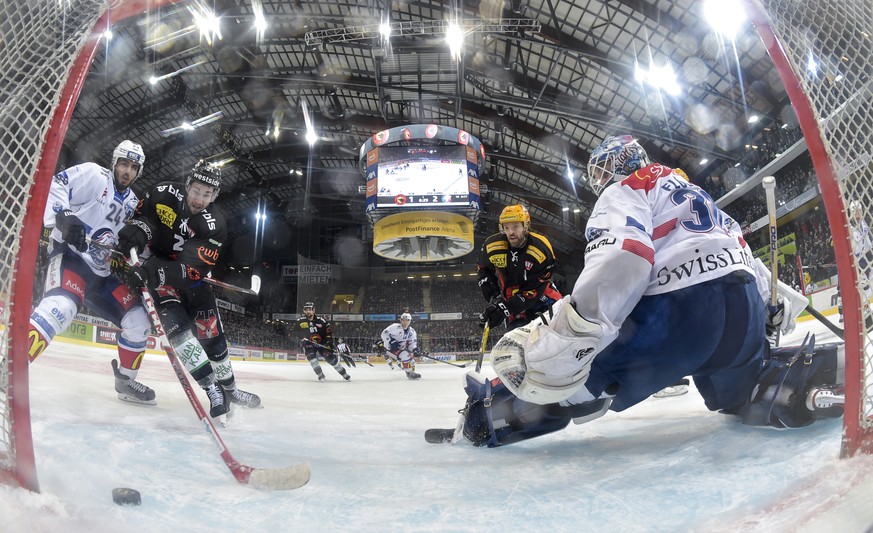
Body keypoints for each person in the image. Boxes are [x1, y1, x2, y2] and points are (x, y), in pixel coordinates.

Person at [450, 135, 844, 447]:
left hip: (680, 313)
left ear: (622, 163)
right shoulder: (689, 188)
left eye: (604, 170)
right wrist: (768, 303)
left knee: (576, 382)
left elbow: (626, 256)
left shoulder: (626, 189)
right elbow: (734, 247)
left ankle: (487, 417)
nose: (601, 181)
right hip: (741, 307)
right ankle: (800, 384)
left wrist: (573, 334)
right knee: (741, 393)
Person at [115, 160, 261, 418]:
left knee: (213, 339)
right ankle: (212, 388)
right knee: (181, 336)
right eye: (196, 190)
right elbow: (145, 219)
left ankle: (231, 388)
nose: (199, 199)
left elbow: (191, 271)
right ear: (187, 185)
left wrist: (152, 271)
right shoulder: (162, 193)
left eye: (207, 194)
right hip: (159, 281)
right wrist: (136, 234)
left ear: (214, 196)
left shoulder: (215, 224)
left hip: (190, 282)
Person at [28, 140, 157, 405]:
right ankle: (13, 364)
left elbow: (135, 243)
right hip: (71, 258)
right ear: (114, 163)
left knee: (138, 321)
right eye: (123, 164)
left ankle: (125, 381)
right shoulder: (93, 175)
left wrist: (145, 258)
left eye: (133, 167)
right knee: (61, 308)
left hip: (101, 274)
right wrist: (64, 215)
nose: (127, 171)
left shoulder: (133, 203)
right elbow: (55, 184)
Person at [476, 204, 562, 331]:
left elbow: (536, 288)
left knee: (551, 338)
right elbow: (483, 267)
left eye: (515, 226)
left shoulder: (541, 248)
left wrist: (505, 307)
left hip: (544, 300)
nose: (511, 232)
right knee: (517, 339)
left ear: (525, 226)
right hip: (512, 300)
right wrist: (487, 283)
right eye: (506, 227)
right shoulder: (492, 246)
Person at [295, 302, 350, 381]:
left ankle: (344, 374)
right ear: (304, 311)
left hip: (322, 344)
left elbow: (328, 333)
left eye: (310, 309)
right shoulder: (299, 321)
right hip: (308, 344)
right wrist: (299, 336)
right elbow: (293, 332)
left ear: (313, 310)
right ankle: (320, 375)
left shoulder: (322, 321)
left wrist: (329, 343)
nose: (308, 311)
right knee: (312, 360)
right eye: (306, 310)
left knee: (331, 360)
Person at [381, 313, 420, 379]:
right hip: (390, 349)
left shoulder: (412, 331)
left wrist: (414, 349)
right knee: (405, 355)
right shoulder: (394, 327)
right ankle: (409, 373)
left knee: (412, 359)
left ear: (410, 321)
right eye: (403, 320)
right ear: (401, 320)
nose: (405, 322)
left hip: (401, 349)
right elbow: (384, 334)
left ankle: (412, 372)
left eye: (407, 320)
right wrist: (390, 342)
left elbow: (412, 343)